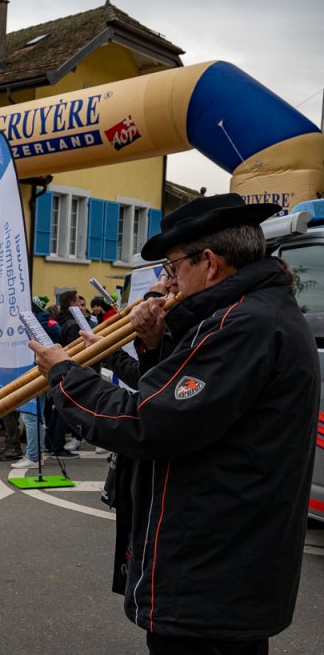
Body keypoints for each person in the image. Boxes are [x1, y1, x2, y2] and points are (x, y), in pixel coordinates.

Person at [30, 194, 317, 654]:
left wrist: (65, 375)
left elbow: (148, 422)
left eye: (173, 267)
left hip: (211, 568)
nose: (167, 283)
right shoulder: (253, 314)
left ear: (210, 263)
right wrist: (155, 343)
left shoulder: (243, 323)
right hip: (223, 564)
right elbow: (188, 403)